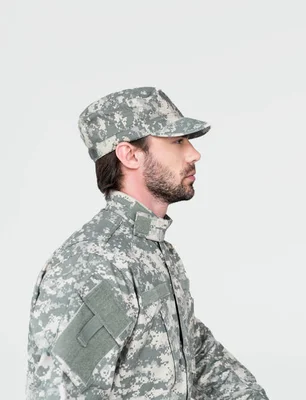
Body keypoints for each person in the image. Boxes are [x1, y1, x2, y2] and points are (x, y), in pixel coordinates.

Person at [26, 87, 269, 400]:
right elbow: (61, 391)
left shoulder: (156, 253)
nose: (194, 153)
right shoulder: (99, 264)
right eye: (177, 141)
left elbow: (196, 353)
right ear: (129, 154)